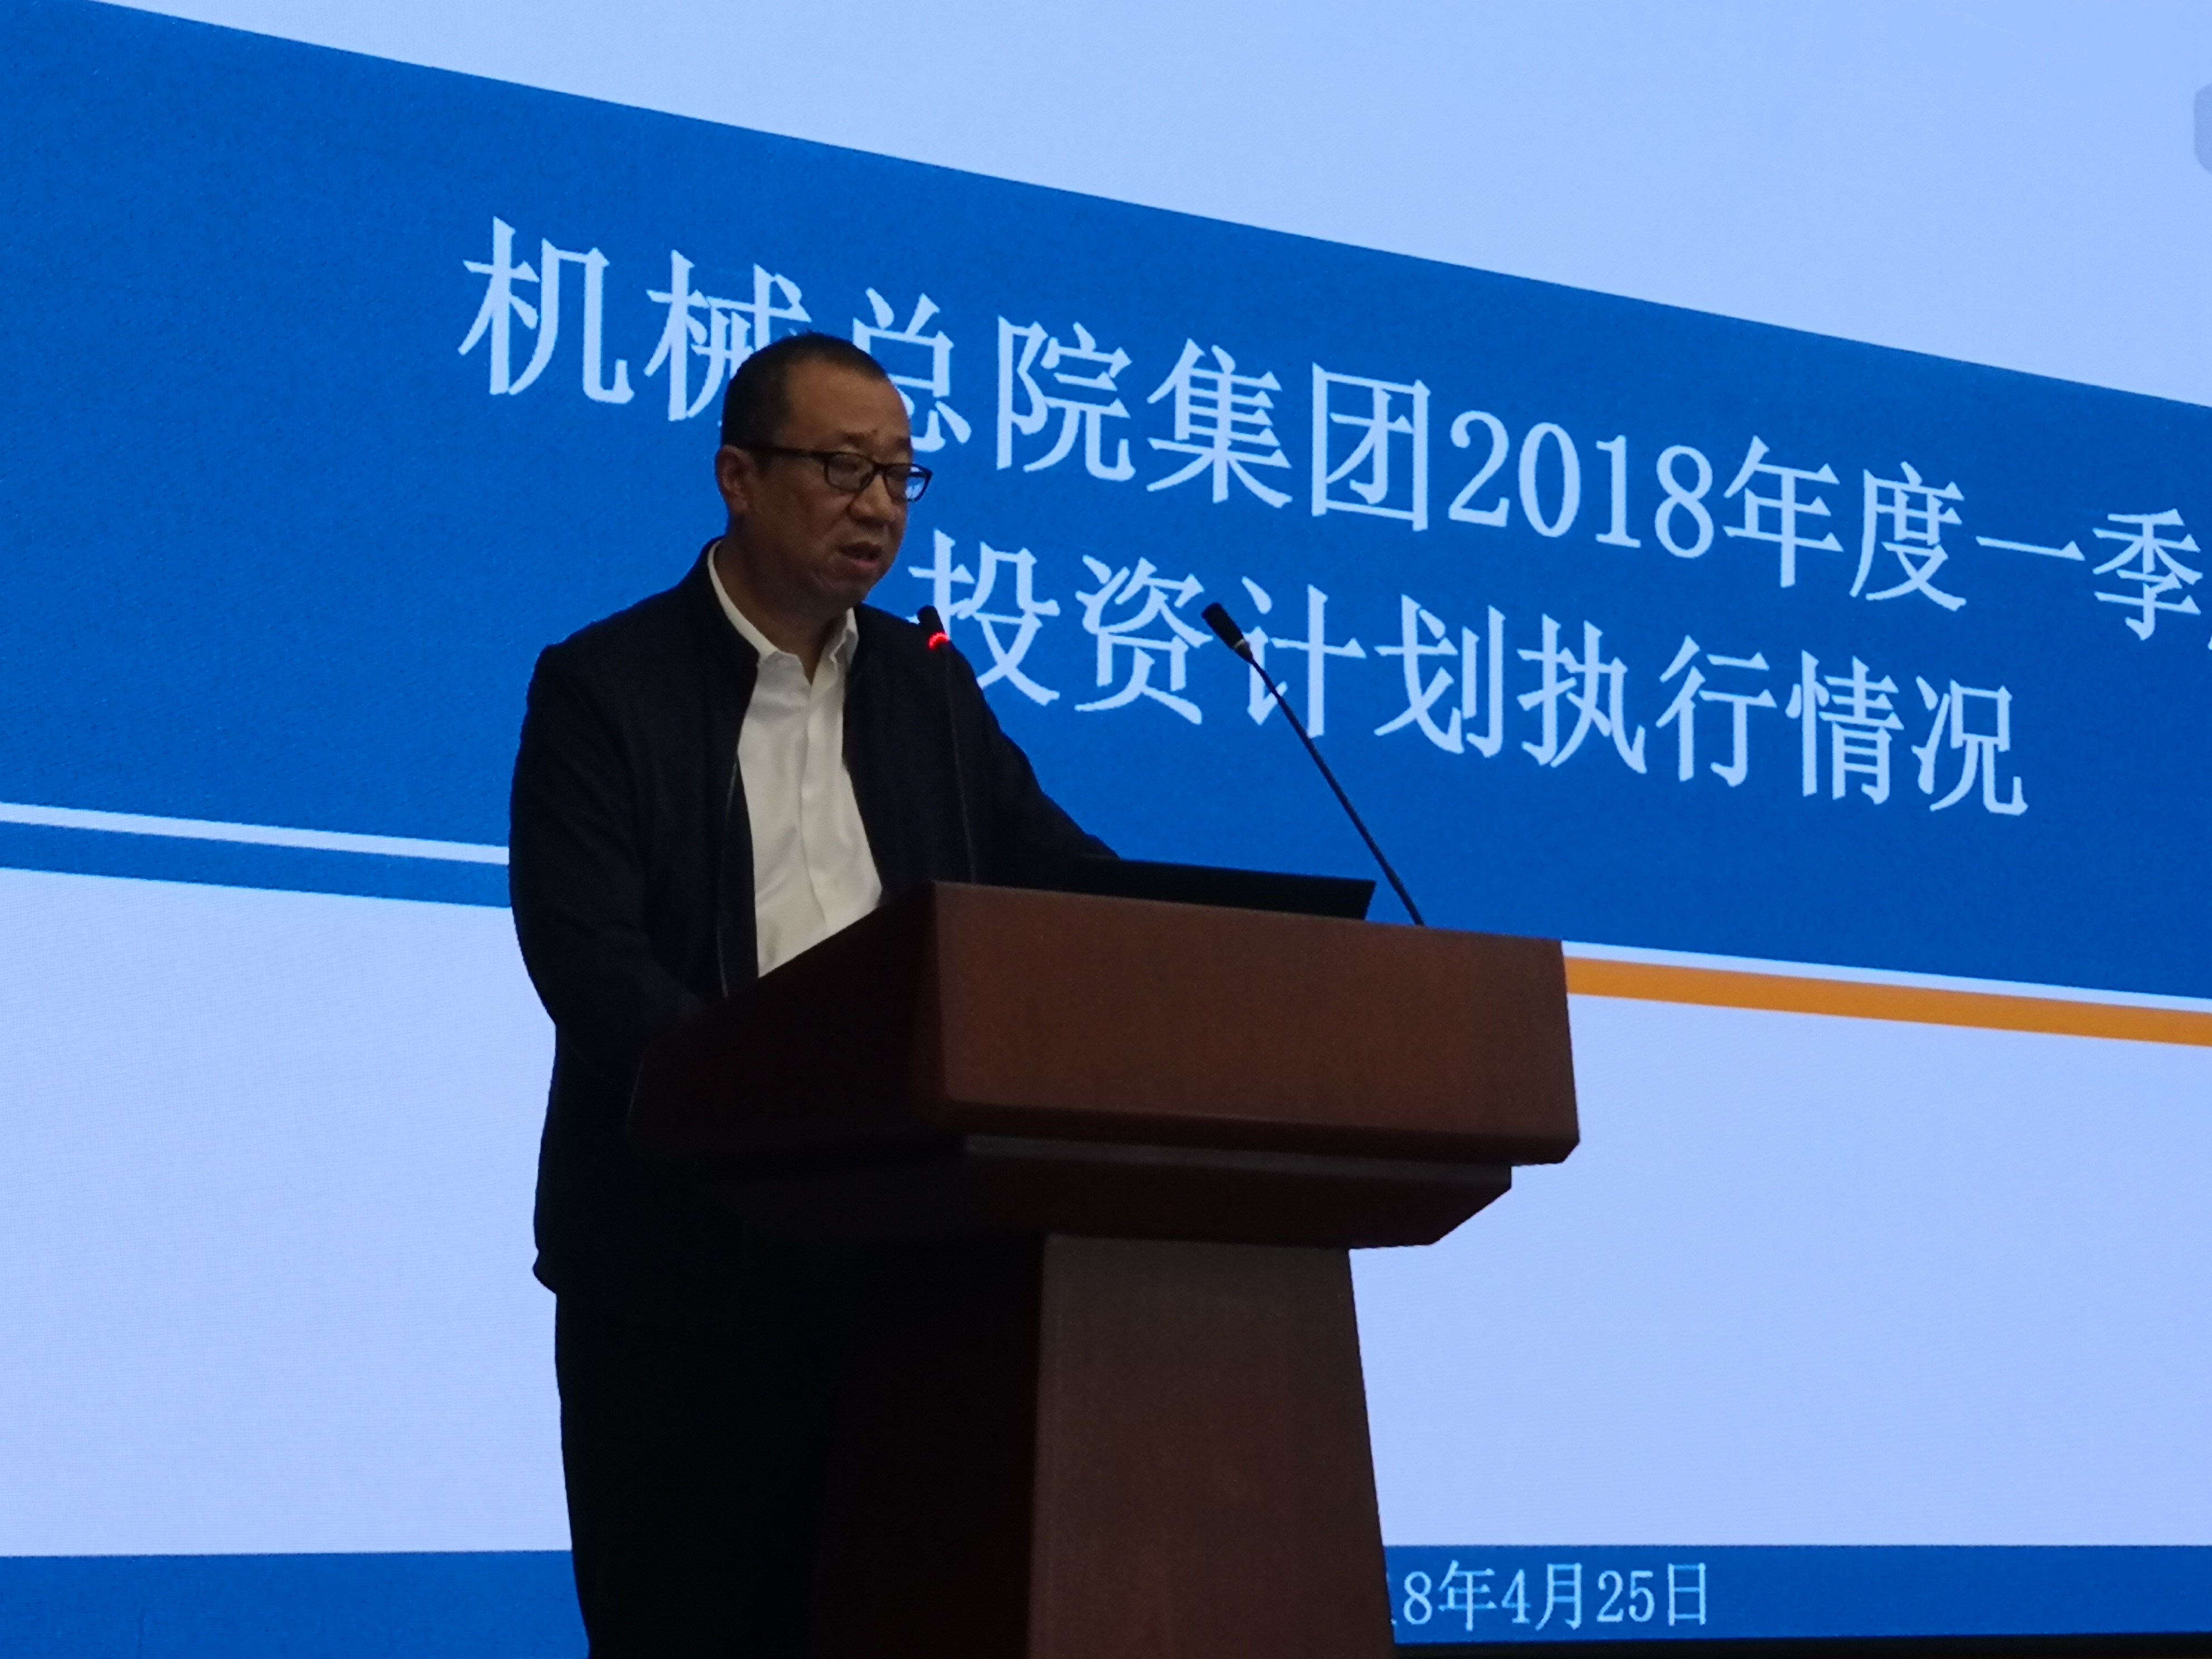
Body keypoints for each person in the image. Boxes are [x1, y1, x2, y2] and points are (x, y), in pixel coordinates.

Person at [507, 332, 1109, 1657]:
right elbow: (590, 965)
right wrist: (793, 1100)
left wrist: (1222, 941)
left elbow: (1058, 880)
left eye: (899, 475)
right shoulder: (605, 685)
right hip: (680, 1277)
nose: (878, 505)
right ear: (738, 476)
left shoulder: (928, 683)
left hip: (910, 1269)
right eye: (843, 468)